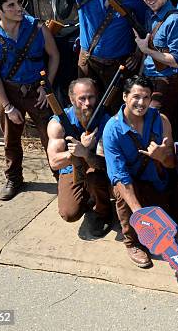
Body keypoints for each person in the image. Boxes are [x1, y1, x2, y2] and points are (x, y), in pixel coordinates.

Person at [0, 0, 59, 200]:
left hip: (37, 90)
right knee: (10, 140)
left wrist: (46, 86)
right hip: (10, 92)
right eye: (11, 5)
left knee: (51, 136)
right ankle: (14, 178)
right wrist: (7, 105)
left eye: (18, 3)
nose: (18, 8)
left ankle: (61, 176)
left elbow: (54, 56)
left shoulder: (36, 27)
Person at [102, 76, 177, 268]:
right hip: (129, 183)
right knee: (123, 195)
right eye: (136, 96)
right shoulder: (112, 129)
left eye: (146, 97)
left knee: (171, 225)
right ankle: (131, 243)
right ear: (125, 97)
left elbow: (171, 164)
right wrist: (140, 215)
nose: (141, 102)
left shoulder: (161, 120)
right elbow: (118, 175)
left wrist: (162, 157)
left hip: (154, 181)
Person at [46, 78, 112, 237]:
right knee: (69, 213)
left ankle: (102, 212)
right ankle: (87, 199)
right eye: (82, 98)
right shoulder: (58, 123)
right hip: (71, 167)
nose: (87, 103)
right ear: (71, 99)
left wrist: (86, 153)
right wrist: (74, 153)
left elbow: (105, 163)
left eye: (91, 97)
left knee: (96, 181)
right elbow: (54, 162)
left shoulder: (106, 121)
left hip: (96, 166)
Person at [133, 0, 178, 137]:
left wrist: (146, 50)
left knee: (155, 127)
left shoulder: (175, 20)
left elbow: (176, 60)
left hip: (167, 82)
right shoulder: (151, 15)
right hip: (149, 80)